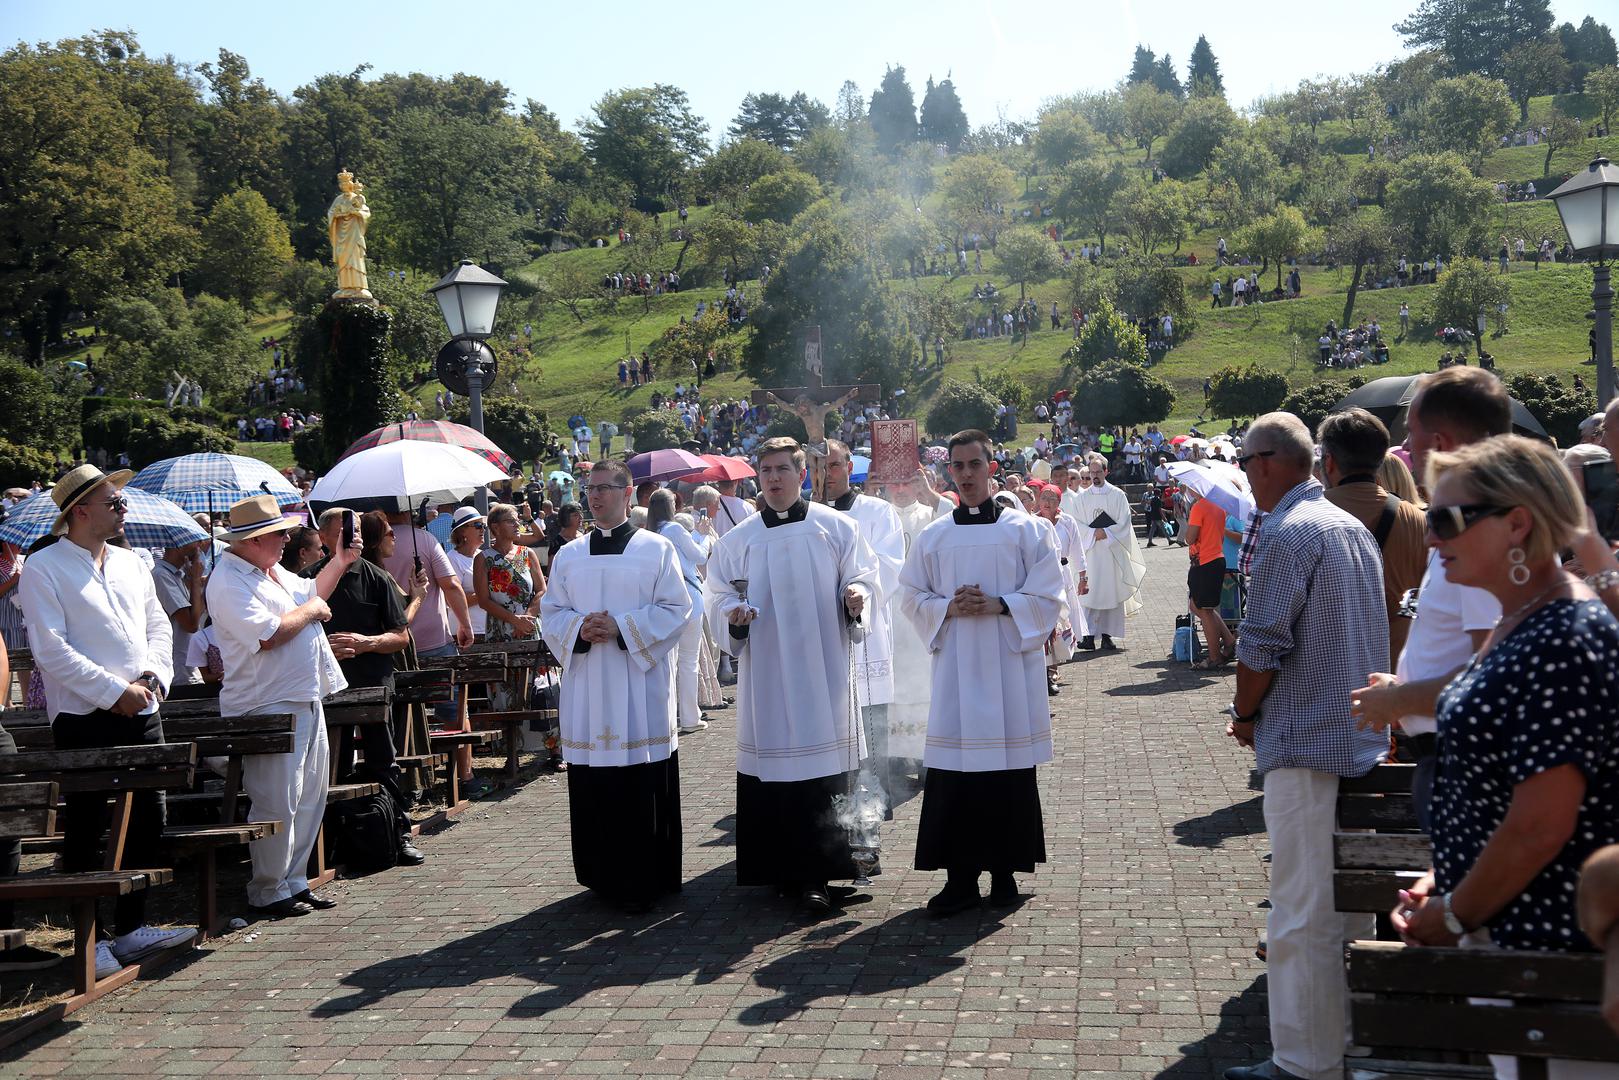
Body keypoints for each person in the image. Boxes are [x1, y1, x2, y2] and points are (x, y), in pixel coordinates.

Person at [1391, 437, 1619, 1080]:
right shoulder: (1522, 618)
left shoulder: (1564, 637)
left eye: (1446, 519)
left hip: (1553, 959)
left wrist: (1459, 909)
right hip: (1517, 943)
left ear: (1517, 523)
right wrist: (1449, 877)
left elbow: (1542, 823)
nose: (1432, 538)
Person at [1223, 414, 1390, 1080]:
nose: (1243, 473)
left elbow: (1260, 643)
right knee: (1341, 912)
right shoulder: (1345, 527)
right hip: (1355, 735)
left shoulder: (1289, 532)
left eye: (1244, 462)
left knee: (1297, 910)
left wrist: (1241, 712)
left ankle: (1301, 1060)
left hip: (1303, 737)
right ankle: (1345, 1045)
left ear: (1268, 461)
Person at [17, 465, 196, 977]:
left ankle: (132, 929)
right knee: (88, 826)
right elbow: (51, 650)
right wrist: (113, 691)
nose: (124, 508)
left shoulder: (132, 561)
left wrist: (153, 676)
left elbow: (157, 626)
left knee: (148, 818)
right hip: (83, 716)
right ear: (80, 511)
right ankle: (87, 937)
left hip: (144, 709)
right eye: (113, 502)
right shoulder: (44, 567)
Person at [704, 437, 879, 917]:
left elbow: (865, 574)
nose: (774, 478)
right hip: (769, 676)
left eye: (783, 469)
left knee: (823, 772)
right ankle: (781, 870)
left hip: (824, 670)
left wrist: (857, 596)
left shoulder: (835, 528)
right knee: (776, 769)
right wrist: (731, 616)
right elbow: (715, 596)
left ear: (802, 474)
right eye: (765, 470)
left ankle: (821, 873)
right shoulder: (738, 541)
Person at [898, 430, 1066, 916]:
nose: (967, 475)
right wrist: (946, 608)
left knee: (1008, 773)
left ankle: (1006, 874)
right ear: (949, 471)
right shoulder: (934, 535)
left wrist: (998, 605)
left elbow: (1049, 595)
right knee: (955, 776)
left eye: (975, 465)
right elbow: (909, 596)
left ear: (991, 467)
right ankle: (960, 880)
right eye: (958, 466)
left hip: (1009, 670)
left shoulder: (1027, 531)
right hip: (956, 673)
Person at [1350, 368, 1512, 830]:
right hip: (1446, 755)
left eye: (1411, 438)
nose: (1406, 451)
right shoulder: (1468, 524)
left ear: (1439, 443)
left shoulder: (1479, 533)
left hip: (1464, 761)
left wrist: (1401, 697)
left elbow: (1493, 670)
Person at [540, 461, 691, 913]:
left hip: (637, 686)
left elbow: (676, 608)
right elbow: (551, 612)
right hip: (588, 686)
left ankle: (649, 875)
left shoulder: (656, 549)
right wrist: (578, 629)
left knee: (639, 779)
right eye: (590, 489)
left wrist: (622, 627)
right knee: (593, 783)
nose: (595, 496)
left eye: (604, 488)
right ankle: (600, 873)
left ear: (628, 494)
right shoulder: (569, 555)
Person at [208, 494, 358, 919]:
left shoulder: (269, 571)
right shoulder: (228, 581)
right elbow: (270, 633)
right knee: (277, 799)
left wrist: (340, 562)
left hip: (303, 695)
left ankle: (292, 881)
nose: (287, 539)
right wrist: (312, 610)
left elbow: (310, 593)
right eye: (278, 534)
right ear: (254, 540)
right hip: (266, 704)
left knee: (309, 795)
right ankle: (268, 889)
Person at [305, 510, 424, 865]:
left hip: (372, 686)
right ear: (324, 538)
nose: (353, 537)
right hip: (324, 690)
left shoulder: (377, 578)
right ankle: (330, 840)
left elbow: (400, 636)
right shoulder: (305, 581)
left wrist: (366, 642)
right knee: (328, 766)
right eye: (345, 532)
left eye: (357, 531)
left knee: (382, 760)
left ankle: (395, 834)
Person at [820, 440, 906, 813]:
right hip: (822, 638)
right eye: (820, 467)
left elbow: (891, 567)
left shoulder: (879, 512)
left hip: (865, 634)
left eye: (835, 465)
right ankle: (830, 805)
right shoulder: (805, 517)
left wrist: (856, 593)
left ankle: (874, 800)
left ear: (849, 465)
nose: (828, 474)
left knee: (871, 722)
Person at [1317, 410, 1428, 666]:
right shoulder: (1418, 520)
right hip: (1399, 670)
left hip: (1331, 673)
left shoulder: (1305, 519)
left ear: (1329, 462)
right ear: (1381, 459)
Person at [884, 468, 951, 772]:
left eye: (906, 482)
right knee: (894, 683)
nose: (900, 489)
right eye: (894, 482)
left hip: (921, 613)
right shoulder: (879, 516)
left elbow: (955, 521)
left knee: (923, 683)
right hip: (888, 615)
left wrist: (929, 492)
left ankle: (926, 753)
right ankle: (896, 754)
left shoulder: (930, 514)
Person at [475, 502, 552, 760]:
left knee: (540, 686)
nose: (517, 524)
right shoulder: (483, 559)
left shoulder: (527, 553)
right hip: (500, 630)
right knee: (505, 690)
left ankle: (550, 748)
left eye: (517, 520)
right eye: (511, 520)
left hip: (530, 627)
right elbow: (484, 600)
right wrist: (512, 620)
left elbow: (542, 589)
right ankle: (511, 750)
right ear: (495, 527)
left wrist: (527, 617)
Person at [648, 489, 712, 735]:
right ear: (670, 506)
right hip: (689, 600)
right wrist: (704, 535)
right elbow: (698, 555)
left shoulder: (652, 532)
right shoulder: (674, 529)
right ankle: (689, 716)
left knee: (672, 663)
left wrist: (696, 533)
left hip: (666, 602)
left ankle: (671, 718)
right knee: (688, 662)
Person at [1070, 453, 1145, 650]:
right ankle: (1087, 636)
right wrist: (1094, 532)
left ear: (1106, 471)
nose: (1094, 476)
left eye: (1098, 472)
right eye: (1091, 472)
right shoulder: (1082, 498)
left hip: (1112, 552)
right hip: (1091, 553)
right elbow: (1076, 523)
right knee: (1089, 594)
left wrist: (1108, 533)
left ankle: (1107, 636)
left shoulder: (1118, 495)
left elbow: (1124, 522)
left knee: (1111, 592)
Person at [1184, 490, 1236, 668]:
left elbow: (1190, 538)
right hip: (1216, 558)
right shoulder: (1219, 507)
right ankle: (1228, 641)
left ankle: (1214, 657)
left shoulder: (1199, 507)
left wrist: (1189, 530)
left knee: (1205, 610)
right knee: (1198, 606)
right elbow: (1219, 536)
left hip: (1204, 561)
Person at [152, 540, 208, 688]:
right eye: (195, 542)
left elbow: (198, 611)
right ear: (179, 546)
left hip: (190, 666)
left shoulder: (179, 574)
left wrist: (194, 581)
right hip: (180, 670)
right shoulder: (160, 575)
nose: (199, 547)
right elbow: (191, 624)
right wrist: (195, 580)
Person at [444, 507, 488, 639]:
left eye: (483, 525)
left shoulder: (482, 556)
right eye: (478, 525)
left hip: (487, 628)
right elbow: (451, 600)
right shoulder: (452, 558)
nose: (482, 529)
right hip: (466, 633)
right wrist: (488, 593)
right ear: (462, 531)